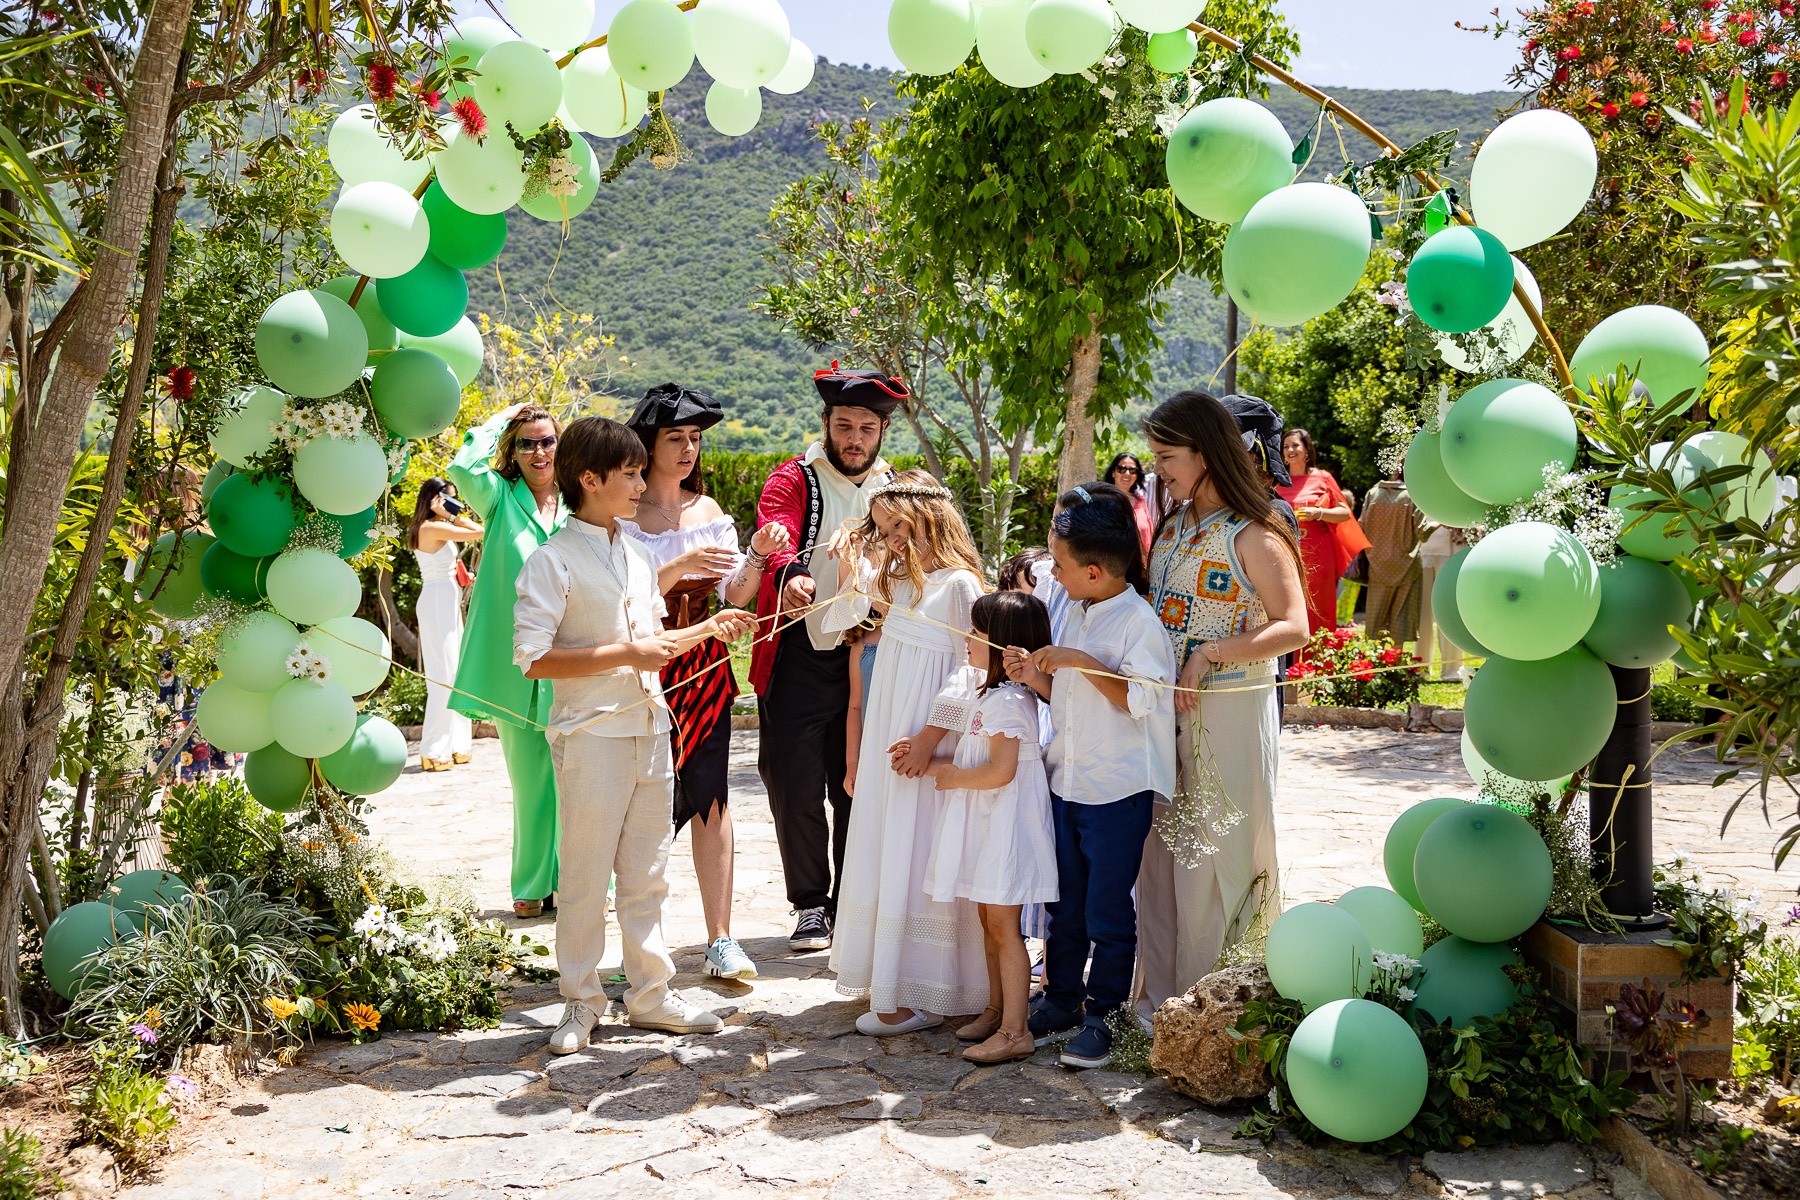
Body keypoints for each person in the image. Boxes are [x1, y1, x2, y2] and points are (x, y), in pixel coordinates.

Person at [513, 416, 758, 1053]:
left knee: (648, 872)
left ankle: (651, 994)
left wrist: (711, 628)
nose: (641, 483)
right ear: (589, 480)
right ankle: (579, 1001)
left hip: (653, 727)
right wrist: (625, 652)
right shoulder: (550, 561)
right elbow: (534, 658)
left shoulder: (639, 556)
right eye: (628, 473)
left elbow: (655, 640)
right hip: (590, 735)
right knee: (588, 875)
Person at [1138, 392, 1310, 1011]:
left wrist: (1211, 653)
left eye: (1167, 456)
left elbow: (1295, 627)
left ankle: (1223, 1005)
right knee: (1164, 853)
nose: (1158, 468)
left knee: (1221, 851)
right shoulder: (1175, 526)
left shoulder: (1256, 532)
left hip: (1232, 711)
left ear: (1207, 453)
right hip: (1166, 713)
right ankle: (1161, 1002)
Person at [621, 383, 791, 982]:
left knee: (710, 795)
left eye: (696, 439)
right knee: (642, 804)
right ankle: (643, 946)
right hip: (643, 669)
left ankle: (721, 939)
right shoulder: (622, 517)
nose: (689, 449)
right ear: (648, 443)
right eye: (676, 438)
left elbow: (734, 595)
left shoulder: (711, 513)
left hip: (708, 672)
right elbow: (620, 600)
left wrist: (756, 558)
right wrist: (677, 568)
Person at [1006, 483, 1176, 1071]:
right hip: (1068, 781)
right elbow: (1068, 698)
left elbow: (1140, 701)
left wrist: (1082, 661)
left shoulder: (1137, 623)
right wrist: (1034, 675)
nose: (1051, 571)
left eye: (1058, 563)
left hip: (1115, 789)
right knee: (1066, 903)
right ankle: (1061, 999)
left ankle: (1105, 1012)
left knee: (1108, 908)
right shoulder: (1075, 611)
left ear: (1095, 570)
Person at [830, 471, 989, 1035]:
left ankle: (931, 984)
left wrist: (928, 737)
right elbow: (839, 622)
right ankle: (891, 976)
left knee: (924, 845)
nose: (894, 540)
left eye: (900, 526)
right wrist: (855, 552)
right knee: (889, 839)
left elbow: (974, 665)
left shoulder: (962, 584)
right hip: (889, 732)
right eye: (884, 530)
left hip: (929, 738)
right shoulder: (898, 585)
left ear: (934, 516)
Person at [751, 365, 900, 952]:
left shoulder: (895, 490)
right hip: (799, 654)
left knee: (857, 783)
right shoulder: (794, 478)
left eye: (867, 427)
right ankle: (810, 904)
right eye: (845, 426)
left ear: (884, 431)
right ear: (826, 425)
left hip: (871, 657)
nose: (855, 439)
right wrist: (789, 574)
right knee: (794, 780)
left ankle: (852, 903)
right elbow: (777, 526)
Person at [921, 591, 1056, 1065]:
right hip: (988, 822)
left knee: (1004, 926)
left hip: (1006, 828)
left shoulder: (1010, 702)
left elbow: (1001, 771)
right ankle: (997, 1009)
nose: (967, 639)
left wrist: (953, 777)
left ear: (1004, 647)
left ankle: (1017, 1030)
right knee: (988, 919)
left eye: (977, 633)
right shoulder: (992, 695)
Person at [449, 403, 568, 919]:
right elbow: (461, 468)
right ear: (512, 452)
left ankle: (581, 881)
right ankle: (531, 881)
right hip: (517, 670)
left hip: (573, 662)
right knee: (530, 782)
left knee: (577, 780)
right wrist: (505, 416)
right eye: (526, 443)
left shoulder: (581, 502)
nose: (538, 451)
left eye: (546, 441)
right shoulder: (498, 499)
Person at [409, 476, 483, 772]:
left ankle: (456, 745)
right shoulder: (431, 526)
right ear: (434, 500)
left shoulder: (430, 527)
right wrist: (449, 514)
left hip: (446, 597)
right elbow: (478, 530)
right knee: (443, 676)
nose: (454, 506)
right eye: (448, 499)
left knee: (455, 672)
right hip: (438, 599)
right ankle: (432, 748)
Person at [1276, 429, 1369, 636]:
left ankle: (1319, 663)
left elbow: (1344, 513)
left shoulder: (1323, 478)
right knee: (1287, 605)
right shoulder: (1277, 482)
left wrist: (1318, 513)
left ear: (1307, 450)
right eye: (1286, 446)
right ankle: (1291, 665)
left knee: (1319, 607)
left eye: (1295, 445)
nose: (1291, 450)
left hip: (1319, 552)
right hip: (1286, 552)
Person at [1360, 471, 1424, 643]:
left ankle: (1380, 661)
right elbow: (1422, 533)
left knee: (1377, 618)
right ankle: (1396, 664)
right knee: (1400, 619)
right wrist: (1440, 522)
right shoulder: (1413, 497)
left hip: (1377, 566)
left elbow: (1361, 526)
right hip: (1408, 567)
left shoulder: (1373, 493)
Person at [1416, 523, 1468, 682]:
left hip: (1455, 553)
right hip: (1425, 551)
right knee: (1423, 615)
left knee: (1450, 613)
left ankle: (1453, 669)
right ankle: (1419, 667)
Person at [1105, 453, 1155, 557]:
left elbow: (1150, 534)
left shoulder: (1140, 501)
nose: (1127, 473)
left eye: (1132, 470)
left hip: (1141, 569)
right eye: (1121, 469)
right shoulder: (1102, 501)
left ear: (1137, 475)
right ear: (1113, 472)